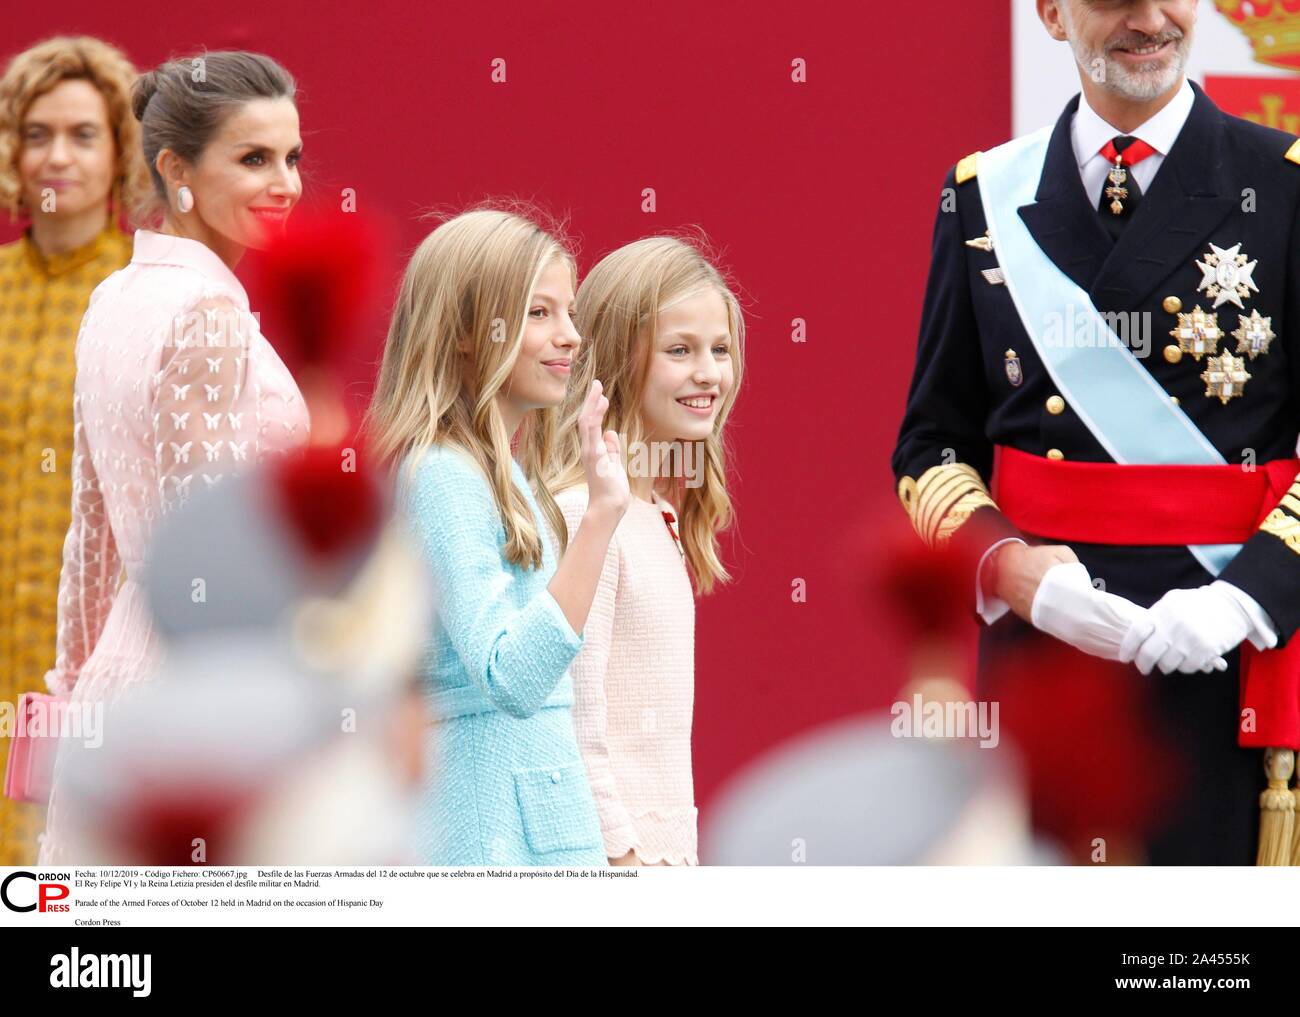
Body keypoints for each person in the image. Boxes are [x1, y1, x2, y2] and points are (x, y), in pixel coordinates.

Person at [892, 0, 1300, 864]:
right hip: (1046, 665)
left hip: (1228, 667)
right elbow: (930, 447)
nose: (1149, 20)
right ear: (1051, 14)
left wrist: (1247, 597)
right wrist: (1011, 567)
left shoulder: (1287, 183)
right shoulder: (983, 195)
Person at [37, 50, 310, 865]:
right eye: (254, 158)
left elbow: (90, 537)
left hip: (115, 689)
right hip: (201, 703)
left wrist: (70, 693)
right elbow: (217, 564)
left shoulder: (113, 297)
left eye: (293, 157)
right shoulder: (207, 316)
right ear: (174, 169)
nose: (287, 183)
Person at [363, 207, 630, 866]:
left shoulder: (501, 474)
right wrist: (599, 519)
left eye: (568, 311)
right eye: (539, 313)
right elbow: (510, 676)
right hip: (492, 844)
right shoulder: (442, 475)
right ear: (462, 331)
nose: (570, 335)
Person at [0, 36, 148, 865]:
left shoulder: (149, 292)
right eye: (35, 133)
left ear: (123, 152)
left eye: (84, 134)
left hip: (96, 666)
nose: (57, 156)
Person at [548, 235, 743, 866]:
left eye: (720, 349)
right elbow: (574, 724)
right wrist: (624, 862)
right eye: (679, 351)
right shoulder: (586, 516)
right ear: (616, 360)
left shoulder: (654, 516)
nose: (708, 372)